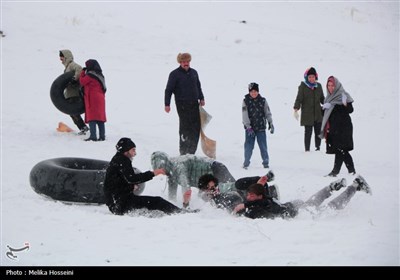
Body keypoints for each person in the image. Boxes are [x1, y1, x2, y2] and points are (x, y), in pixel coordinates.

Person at [103, 138, 192, 215]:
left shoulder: (118, 159)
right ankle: (180, 213)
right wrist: (153, 173)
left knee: (153, 205)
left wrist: (130, 187)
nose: (135, 153)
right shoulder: (122, 161)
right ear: (126, 151)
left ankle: (177, 212)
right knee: (157, 201)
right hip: (120, 205)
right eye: (133, 150)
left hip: (118, 204)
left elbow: (117, 184)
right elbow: (131, 178)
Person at [233, 175, 371, 219]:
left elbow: (260, 205)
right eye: (248, 195)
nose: (248, 197)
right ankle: (330, 188)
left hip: (296, 212)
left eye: (251, 195)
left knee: (331, 208)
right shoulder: (260, 199)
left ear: (259, 196)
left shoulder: (262, 203)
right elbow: (257, 201)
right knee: (313, 202)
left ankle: (355, 186)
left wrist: (245, 205)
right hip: (293, 206)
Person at [150, 151, 235, 203]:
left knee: (234, 188)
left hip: (216, 168)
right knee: (207, 200)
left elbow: (186, 187)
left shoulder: (178, 166)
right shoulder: (171, 172)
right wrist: (171, 206)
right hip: (207, 181)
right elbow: (172, 194)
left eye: (160, 169)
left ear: (165, 165)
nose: (160, 173)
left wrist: (185, 206)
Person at [164, 53, 205, 155]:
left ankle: (191, 152)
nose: (186, 63)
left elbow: (198, 86)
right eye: (183, 62)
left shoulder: (194, 73)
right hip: (182, 105)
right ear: (180, 62)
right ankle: (183, 152)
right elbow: (168, 90)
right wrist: (167, 104)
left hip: (195, 104)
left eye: (187, 61)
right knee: (185, 127)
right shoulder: (174, 74)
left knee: (196, 128)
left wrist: (201, 97)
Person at [320, 76, 356, 177]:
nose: (330, 88)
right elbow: (325, 114)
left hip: (344, 128)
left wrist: (345, 104)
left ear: (337, 86)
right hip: (333, 129)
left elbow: (350, 110)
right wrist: (323, 108)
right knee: (338, 150)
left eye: (332, 85)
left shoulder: (343, 95)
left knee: (342, 149)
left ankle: (351, 171)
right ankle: (336, 171)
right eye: (328, 85)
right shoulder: (328, 98)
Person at [197, 171, 279, 212]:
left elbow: (239, 187)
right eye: (212, 188)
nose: (215, 189)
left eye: (215, 186)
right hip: (248, 200)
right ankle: (268, 193)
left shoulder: (224, 187)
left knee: (238, 183)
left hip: (249, 192)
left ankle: (263, 180)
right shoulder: (207, 199)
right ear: (205, 190)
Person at [242, 82, 274, 169]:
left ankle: (266, 162)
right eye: (251, 91)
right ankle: (246, 162)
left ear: (258, 91)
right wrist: (248, 127)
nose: (253, 93)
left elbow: (267, 112)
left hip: (261, 128)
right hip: (250, 129)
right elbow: (244, 115)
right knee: (248, 147)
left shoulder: (263, 101)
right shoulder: (246, 101)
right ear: (249, 92)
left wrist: (270, 122)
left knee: (263, 146)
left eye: (255, 91)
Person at [293, 67, 325, 152]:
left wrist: (327, 104)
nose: (311, 79)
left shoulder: (319, 86)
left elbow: (322, 98)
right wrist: (296, 108)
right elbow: (299, 98)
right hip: (307, 114)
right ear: (307, 77)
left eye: (313, 77)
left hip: (318, 113)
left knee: (318, 132)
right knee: (308, 132)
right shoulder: (303, 86)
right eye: (309, 77)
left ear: (316, 77)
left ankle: (317, 148)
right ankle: (307, 150)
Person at [59, 49, 89, 135]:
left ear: (66, 57)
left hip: (74, 93)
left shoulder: (72, 65)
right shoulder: (67, 68)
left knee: (73, 112)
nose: (60, 60)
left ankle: (83, 127)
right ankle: (82, 127)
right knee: (71, 113)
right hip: (69, 93)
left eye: (62, 57)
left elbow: (79, 69)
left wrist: (74, 79)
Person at [79, 59, 107, 141]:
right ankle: (102, 136)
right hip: (101, 98)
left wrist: (82, 73)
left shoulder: (90, 75)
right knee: (100, 118)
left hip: (93, 98)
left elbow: (82, 82)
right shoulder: (100, 75)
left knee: (92, 117)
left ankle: (93, 136)